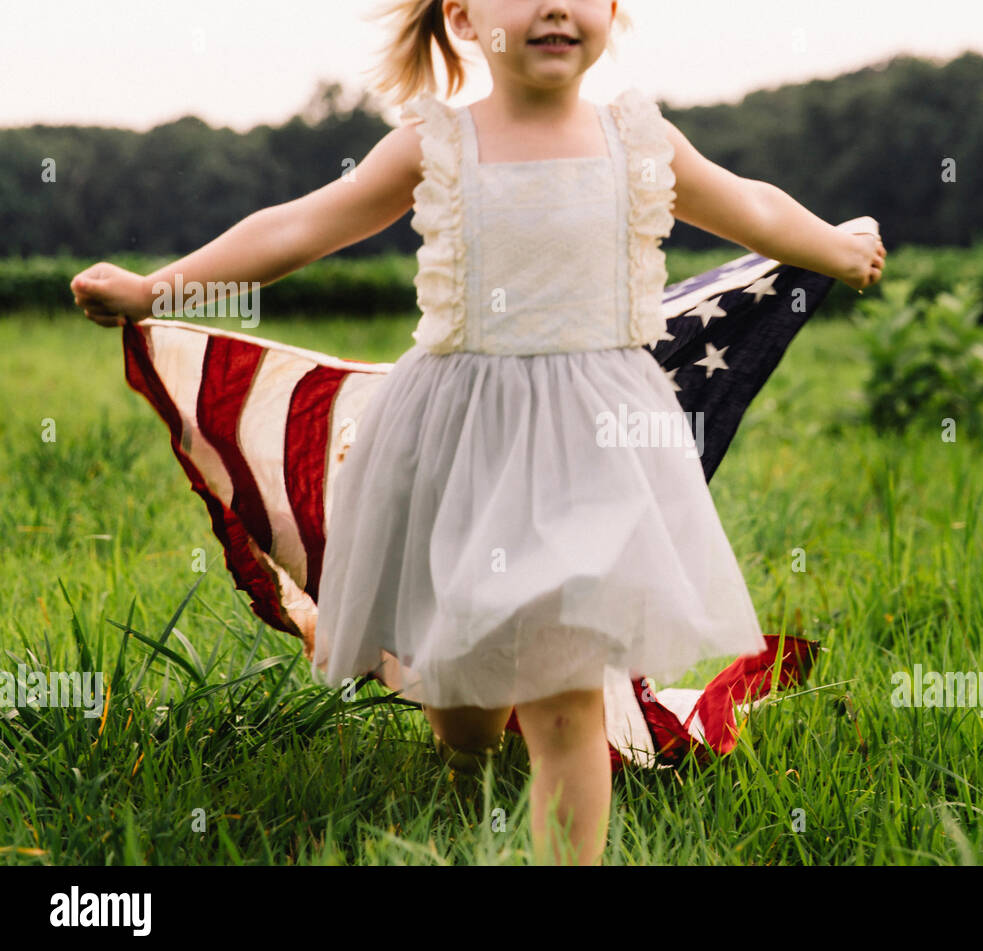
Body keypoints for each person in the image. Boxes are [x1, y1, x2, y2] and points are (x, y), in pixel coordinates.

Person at [70, 0, 886, 865]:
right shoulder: (436, 144)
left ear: (610, 11)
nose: (552, 6)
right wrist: (157, 289)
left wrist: (833, 247)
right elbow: (301, 225)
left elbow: (750, 207)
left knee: (563, 695)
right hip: (459, 441)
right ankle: (464, 741)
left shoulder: (640, 141)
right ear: (462, 16)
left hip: (594, 444)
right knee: (463, 693)